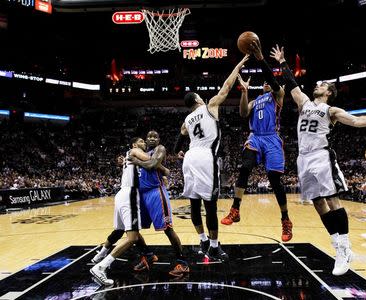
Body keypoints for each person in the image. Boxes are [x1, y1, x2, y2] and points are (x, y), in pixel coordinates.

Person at [270, 45, 366, 276]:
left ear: (328, 92)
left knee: (333, 200)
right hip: (303, 159)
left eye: (322, 85)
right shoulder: (304, 102)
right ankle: (337, 244)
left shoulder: (331, 110)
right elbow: (292, 84)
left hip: (321, 156)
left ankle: (345, 248)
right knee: (318, 204)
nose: (317, 84)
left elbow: (356, 122)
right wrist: (282, 62)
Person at [174, 54, 249, 261]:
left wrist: (177, 151)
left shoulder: (187, 119)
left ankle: (203, 240)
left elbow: (179, 138)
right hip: (206, 157)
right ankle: (214, 247)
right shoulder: (210, 106)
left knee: (194, 204)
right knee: (211, 205)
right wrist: (239, 64)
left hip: (189, 157)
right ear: (198, 99)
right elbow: (226, 85)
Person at [221, 40, 293, 243]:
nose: (267, 83)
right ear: (261, 86)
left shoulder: (277, 96)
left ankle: (285, 219)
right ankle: (235, 209)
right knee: (245, 167)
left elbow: (271, 77)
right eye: (264, 83)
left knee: (274, 179)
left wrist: (261, 59)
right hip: (255, 136)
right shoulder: (255, 100)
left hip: (271, 138)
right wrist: (244, 92)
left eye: (270, 82)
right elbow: (243, 114)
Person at [127, 130, 189, 278]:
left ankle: (183, 263)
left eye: (155, 136)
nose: (152, 138)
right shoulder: (141, 152)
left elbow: (153, 164)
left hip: (156, 192)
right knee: (132, 229)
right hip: (140, 194)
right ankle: (148, 255)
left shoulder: (159, 149)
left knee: (167, 228)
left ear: (159, 139)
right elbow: (150, 166)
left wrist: (137, 162)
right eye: (149, 137)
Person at [90, 137, 150, 285]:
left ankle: (101, 255)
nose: (144, 143)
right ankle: (101, 266)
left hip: (122, 194)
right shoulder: (135, 150)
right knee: (132, 238)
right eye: (142, 141)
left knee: (123, 230)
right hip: (129, 195)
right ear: (135, 144)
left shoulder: (128, 155)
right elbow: (149, 159)